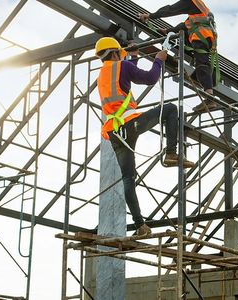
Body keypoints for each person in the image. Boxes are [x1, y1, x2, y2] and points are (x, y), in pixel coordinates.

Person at [95, 37, 195, 236]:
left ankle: (140, 226)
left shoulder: (103, 74)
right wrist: (159, 60)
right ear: (116, 53)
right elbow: (150, 78)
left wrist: (133, 57)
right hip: (130, 122)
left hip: (115, 132)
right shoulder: (121, 65)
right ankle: (171, 153)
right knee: (170, 109)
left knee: (128, 179)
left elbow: (123, 79)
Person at [139, 0, 218, 112]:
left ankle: (210, 98)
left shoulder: (192, 2)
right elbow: (185, 25)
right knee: (201, 64)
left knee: (201, 64)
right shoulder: (198, 9)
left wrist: (150, 16)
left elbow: (171, 9)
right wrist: (167, 31)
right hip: (203, 36)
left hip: (201, 36)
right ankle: (209, 95)